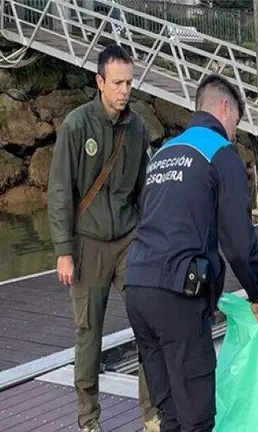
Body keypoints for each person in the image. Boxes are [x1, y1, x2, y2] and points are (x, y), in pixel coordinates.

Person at [122, 73, 258, 432]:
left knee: (170, 414)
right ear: (224, 108)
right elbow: (239, 240)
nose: (236, 132)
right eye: (237, 122)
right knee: (196, 417)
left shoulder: (165, 153)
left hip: (137, 289)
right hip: (178, 295)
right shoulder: (221, 154)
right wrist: (257, 294)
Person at [47, 44, 159, 432]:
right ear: (99, 82)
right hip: (88, 242)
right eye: (117, 83)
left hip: (129, 240)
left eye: (129, 82)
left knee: (148, 321)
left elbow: (145, 192)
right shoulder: (77, 126)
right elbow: (60, 191)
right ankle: (89, 419)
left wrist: (152, 240)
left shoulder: (139, 127)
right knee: (89, 335)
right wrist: (64, 251)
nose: (125, 90)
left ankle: (151, 413)